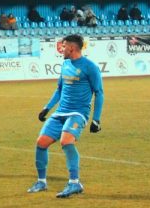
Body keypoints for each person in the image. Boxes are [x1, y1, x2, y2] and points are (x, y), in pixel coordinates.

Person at [28, 34, 104, 198]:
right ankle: (41, 182)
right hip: (61, 112)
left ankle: (75, 183)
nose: (61, 49)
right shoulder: (65, 64)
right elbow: (59, 89)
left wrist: (96, 119)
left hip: (78, 113)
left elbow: (99, 93)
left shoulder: (90, 67)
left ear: (71, 47)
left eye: (63, 46)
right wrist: (47, 108)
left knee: (66, 141)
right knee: (41, 143)